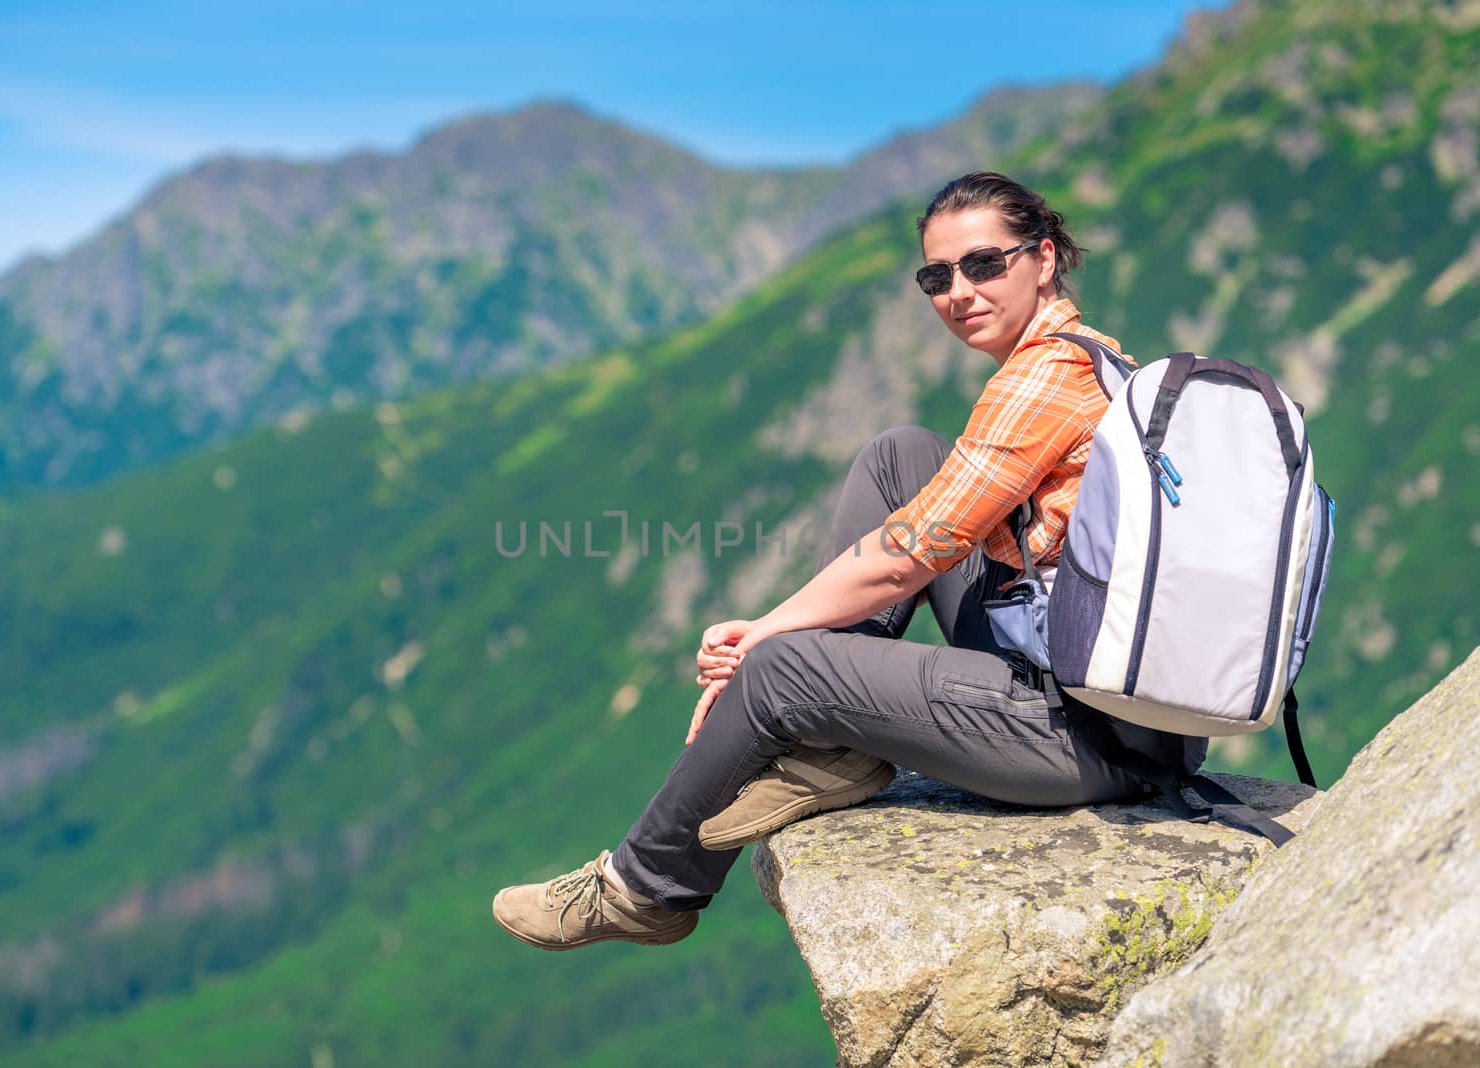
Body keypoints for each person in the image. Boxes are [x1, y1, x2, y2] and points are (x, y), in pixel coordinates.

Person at [492, 171, 1209, 950]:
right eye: (936, 276)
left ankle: (646, 888)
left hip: (1090, 737)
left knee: (783, 669)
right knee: (900, 456)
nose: (958, 292)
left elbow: (910, 558)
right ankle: (834, 745)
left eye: (983, 264)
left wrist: (765, 634)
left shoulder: (1045, 379)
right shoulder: (1093, 357)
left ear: (1042, 259)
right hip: (1106, 689)